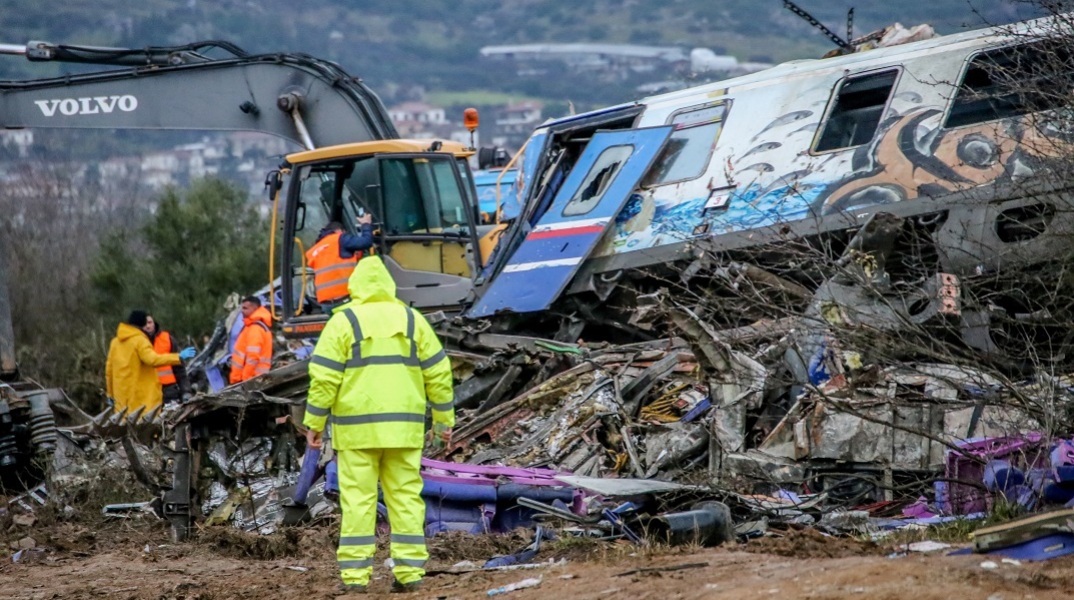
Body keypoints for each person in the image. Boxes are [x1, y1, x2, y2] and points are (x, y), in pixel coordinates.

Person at [303, 256, 453, 594]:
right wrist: (443, 421)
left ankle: (356, 580)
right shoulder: (413, 321)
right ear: (389, 284)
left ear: (355, 286)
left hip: (357, 433)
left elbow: (323, 378)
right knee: (405, 499)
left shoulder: (344, 322)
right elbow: (440, 374)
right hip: (404, 430)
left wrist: (314, 422)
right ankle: (410, 574)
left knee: (358, 501)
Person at [106, 310, 195, 416]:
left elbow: (109, 371)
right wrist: (178, 356)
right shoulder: (140, 340)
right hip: (143, 398)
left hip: (122, 400)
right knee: (151, 427)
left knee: (128, 428)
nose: (147, 327)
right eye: (145, 323)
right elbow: (152, 359)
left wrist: (110, 394)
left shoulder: (115, 343)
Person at [305, 213, 375, 314]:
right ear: (339, 231)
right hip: (344, 299)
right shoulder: (339, 238)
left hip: (326, 304)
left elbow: (338, 261)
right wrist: (366, 224)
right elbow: (366, 242)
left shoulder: (314, 251)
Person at [229, 296, 274, 384]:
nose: (242, 311)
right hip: (253, 378)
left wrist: (246, 379)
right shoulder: (253, 326)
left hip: (251, 379)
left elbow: (253, 357)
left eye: (245, 308)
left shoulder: (255, 328)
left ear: (255, 308)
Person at [148, 316, 192, 404]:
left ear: (154, 323)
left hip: (169, 391)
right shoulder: (136, 344)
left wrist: (186, 391)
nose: (148, 326)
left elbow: (179, 369)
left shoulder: (167, 339)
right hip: (148, 394)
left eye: (150, 322)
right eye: (144, 323)